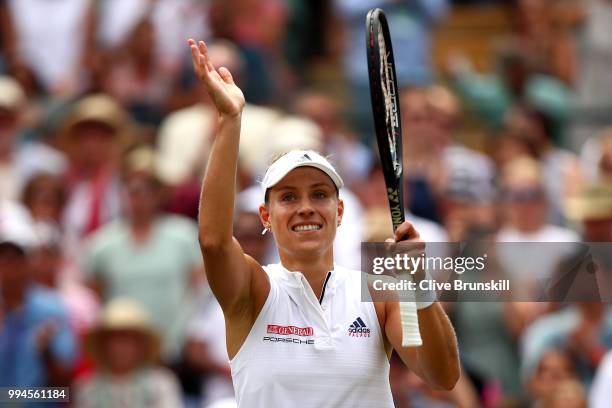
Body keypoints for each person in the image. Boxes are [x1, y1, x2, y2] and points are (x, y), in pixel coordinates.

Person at [189, 38, 459, 407]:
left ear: (340, 212)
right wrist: (231, 120)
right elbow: (214, 241)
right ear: (266, 216)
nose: (305, 207)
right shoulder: (254, 289)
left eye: (319, 194)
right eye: (288, 197)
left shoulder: (379, 296)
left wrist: (419, 286)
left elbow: (442, 376)